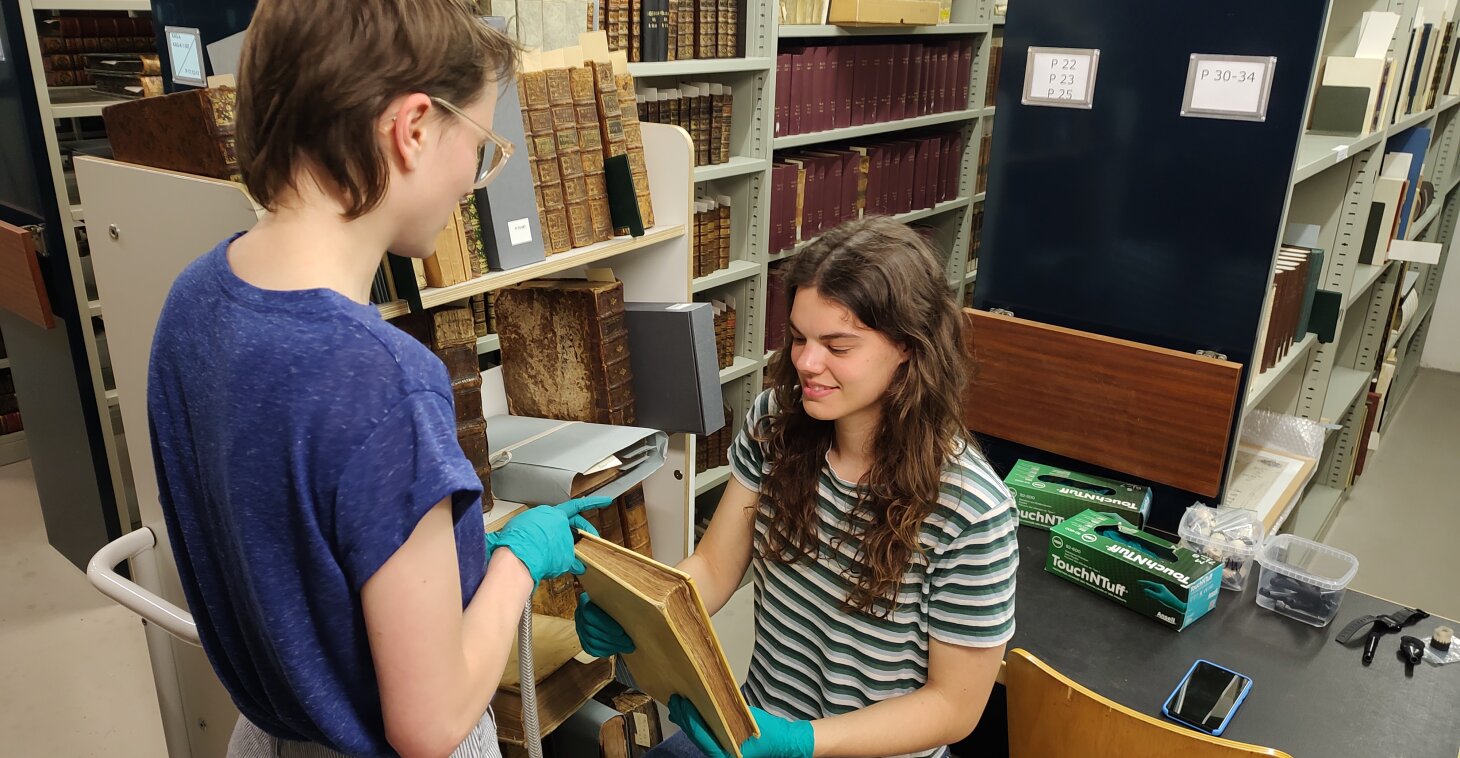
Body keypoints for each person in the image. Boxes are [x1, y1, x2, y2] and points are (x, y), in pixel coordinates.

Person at [147, 2, 604, 756]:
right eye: (482, 147)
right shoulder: (386, 381)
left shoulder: (193, 302)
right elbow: (428, 723)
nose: (475, 180)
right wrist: (519, 563)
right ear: (414, 128)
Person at [577, 216, 1018, 758]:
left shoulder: (970, 508)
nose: (807, 363)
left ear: (908, 346)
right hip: (753, 730)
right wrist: (640, 611)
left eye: (839, 345)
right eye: (799, 338)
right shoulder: (775, 425)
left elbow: (954, 707)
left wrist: (803, 744)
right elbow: (714, 569)